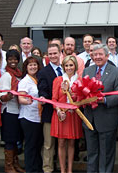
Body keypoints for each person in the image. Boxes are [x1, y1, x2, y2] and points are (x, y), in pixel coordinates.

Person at [82, 44, 118, 173]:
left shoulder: (116, 72)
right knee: (92, 153)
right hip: (89, 119)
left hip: (107, 119)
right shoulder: (87, 71)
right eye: (95, 55)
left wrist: (104, 100)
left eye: (100, 54)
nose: (98, 57)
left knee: (106, 155)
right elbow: (82, 91)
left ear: (107, 56)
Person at [51, 55, 83, 173]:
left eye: (71, 65)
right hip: (61, 115)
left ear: (75, 66)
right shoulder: (58, 80)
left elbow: (81, 99)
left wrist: (70, 91)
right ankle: (62, 170)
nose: (69, 68)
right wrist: (59, 111)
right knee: (61, 142)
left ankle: (70, 170)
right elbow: (54, 99)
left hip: (73, 114)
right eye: (66, 65)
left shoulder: (79, 81)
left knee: (71, 142)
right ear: (63, 67)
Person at [37, 44, 62, 173]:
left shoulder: (66, 69)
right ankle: (47, 168)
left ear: (60, 53)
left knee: (62, 143)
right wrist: (43, 97)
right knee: (49, 144)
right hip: (49, 113)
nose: (53, 56)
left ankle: (60, 166)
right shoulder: (43, 72)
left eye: (55, 53)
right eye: (50, 54)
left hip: (64, 114)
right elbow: (42, 89)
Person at [0, 50, 24, 173]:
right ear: (7, 60)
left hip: (19, 110)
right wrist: (8, 96)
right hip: (9, 111)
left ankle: (15, 163)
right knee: (9, 139)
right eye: (10, 59)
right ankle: (8, 166)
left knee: (15, 139)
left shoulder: (19, 74)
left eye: (15, 59)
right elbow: (1, 96)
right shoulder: (6, 76)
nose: (13, 61)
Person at [18, 56, 43, 173]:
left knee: (37, 145)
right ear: (26, 67)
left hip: (38, 117)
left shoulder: (38, 79)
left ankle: (37, 168)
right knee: (30, 146)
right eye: (30, 65)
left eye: (35, 65)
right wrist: (28, 101)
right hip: (28, 117)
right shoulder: (24, 81)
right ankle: (30, 170)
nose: (33, 67)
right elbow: (20, 98)